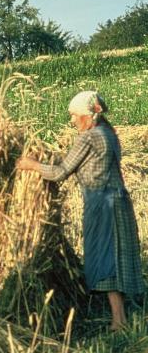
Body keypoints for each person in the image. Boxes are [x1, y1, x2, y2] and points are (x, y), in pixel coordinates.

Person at [16, 90, 145, 331]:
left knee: (105, 257)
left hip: (101, 202)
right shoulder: (108, 133)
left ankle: (119, 321)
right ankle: (122, 316)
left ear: (88, 116)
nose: (72, 121)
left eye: (75, 116)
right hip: (116, 199)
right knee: (116, 256)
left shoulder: (89, 137)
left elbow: (60, 172)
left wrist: (31, 164)